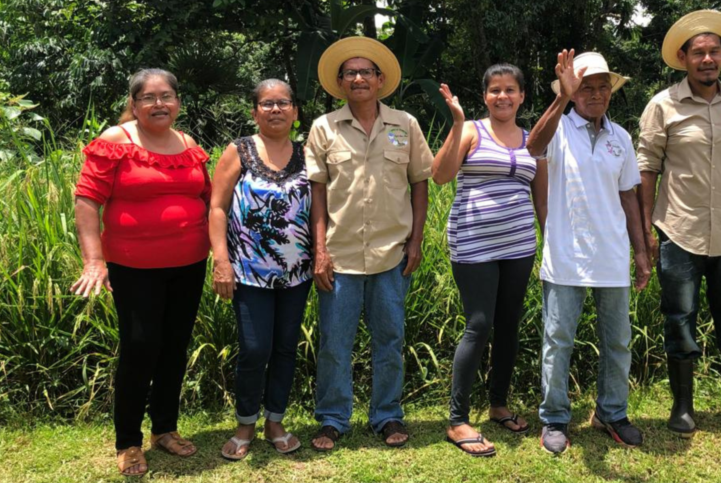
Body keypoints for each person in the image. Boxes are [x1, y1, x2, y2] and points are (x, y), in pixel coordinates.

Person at [71, 69, 210, 477]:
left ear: (178, 102)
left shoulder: (188, 144)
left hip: (189, 263)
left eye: (167, 96)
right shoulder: (117, 142)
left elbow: (208, 198)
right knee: (140, 347)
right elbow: (86, 201)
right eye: (148, 98)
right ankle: (128, 440)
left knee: (174, 346)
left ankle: (164, 429)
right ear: (133, 104)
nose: (159, 104)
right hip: (134, 266)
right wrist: (94, 260)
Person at [637, 9, 721, 439]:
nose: (707, 59)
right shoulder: (663, 105)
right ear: (684, 57)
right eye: (698, 52)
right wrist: (644, 229)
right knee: (679, 317)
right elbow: (647, 168)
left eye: (714, 51)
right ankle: (682, 408)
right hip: (679, 229)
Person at [305, 36, 434, 451]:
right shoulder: (324, 127)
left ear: (380, 80)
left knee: (390, 340)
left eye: (366, 72)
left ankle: (387, 414)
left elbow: (419, 182)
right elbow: (318, 193)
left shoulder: (405, 124)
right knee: (334, 343)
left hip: (391, 254)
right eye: (350, 73)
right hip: (339, 255)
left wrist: (416, 240)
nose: (358, 78)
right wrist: (320, 250)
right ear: (340, 83)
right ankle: (332, 418)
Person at [525, 50, 651, 454]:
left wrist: (643, 253)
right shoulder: (558, 130)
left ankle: (612, 413)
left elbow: (629, 198)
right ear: (573, 92)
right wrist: (560, 97)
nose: (595, 94)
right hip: (564, 257)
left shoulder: (621, 138)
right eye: (585, 87)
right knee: (558, 340)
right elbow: (532, 147)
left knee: (617, 341)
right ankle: (555, 419)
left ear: (610, 92)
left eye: (602, 87)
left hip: (612, 257)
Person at [432, 64, 548, 457]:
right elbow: (440, 175)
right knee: (479, 325)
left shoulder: (534, 140)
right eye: (495, 90)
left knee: (509, 324)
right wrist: (457, 121)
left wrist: (548, 240)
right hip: (474, 243)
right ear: (485, 96)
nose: (503, 96)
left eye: (510, 90)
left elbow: (541, 198)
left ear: (521, 96)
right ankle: (457, 419)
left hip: (519, 245)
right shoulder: (470, 131)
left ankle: (498, 404)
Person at [209, 79, 312, 460]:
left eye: (283, 103)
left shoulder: (306, 153)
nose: (275, 110)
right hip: (248, 271)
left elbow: (320, 208)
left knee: (286, 347)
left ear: (295, 111)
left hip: (297, 272)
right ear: (254, 112)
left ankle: (276, 422)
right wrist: (221, 261)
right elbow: (217, 207)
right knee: (254, 349)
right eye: (267, 104)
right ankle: (245, 424)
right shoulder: (239, 150)